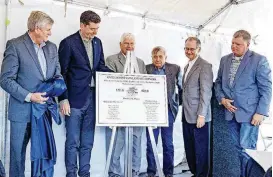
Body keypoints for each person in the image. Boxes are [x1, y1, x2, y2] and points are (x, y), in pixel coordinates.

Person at [0, 11, 61, 177]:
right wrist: (29, 96)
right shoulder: (15, 45)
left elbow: (58, 75)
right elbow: (5, 80)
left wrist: (56, 89)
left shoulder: (52, 48)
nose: (50, 32)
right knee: (17, 156)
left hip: (43, 113)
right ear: (37, 28)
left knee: (43, 157)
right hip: (21, 112)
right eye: (48, 29)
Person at [58, 10, 112, 177]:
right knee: (73, 142)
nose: (95, 32)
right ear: (82, 25)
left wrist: (118, 78)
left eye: (97, 29)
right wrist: (63, 98)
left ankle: (85, 173)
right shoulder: (68, 43)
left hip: (92, 99)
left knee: (88, 141)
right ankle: (71, 174)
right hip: (73, 100)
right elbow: (62, 73)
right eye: (92, 29)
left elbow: (100, 67)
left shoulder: (98, 43)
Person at [214, 30, 272, 177]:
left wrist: (260, 112)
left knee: (248, 150)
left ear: (248, 44)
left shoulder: (259, 60)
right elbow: (218, 83)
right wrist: (222, 99)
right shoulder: (225, 60)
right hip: (230, 113)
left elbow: (266, 88)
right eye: (232, 43)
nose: (234, 46)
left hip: (251, 114)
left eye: (238, 44)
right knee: (239, 149)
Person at [105, 33, 147, 177]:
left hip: (137, 112)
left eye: (132, 43)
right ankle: (115, 174)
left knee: (136, 146)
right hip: (119, 112)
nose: (129, 46)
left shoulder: (140, 63)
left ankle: (134, 173)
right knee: (116, 146)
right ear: (120, 44)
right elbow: (110, 84)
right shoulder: (111, 60)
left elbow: (144, 86)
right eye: (126, 43)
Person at [145, 46, 182, 177]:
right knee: (151, 143)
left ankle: (168, 173)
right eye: (155, 57)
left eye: (160, 56)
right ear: (152, 58)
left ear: (165, 57)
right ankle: (151, 172)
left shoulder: (175, 68)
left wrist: (177, 104)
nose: (158, 59)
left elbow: (181, 88)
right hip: (151, 111)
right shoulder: (147, 69)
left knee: (168, 143)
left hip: (168, 110)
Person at [182, 37, 213, 177]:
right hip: (187, 115)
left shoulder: (205, 65)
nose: (189, 51)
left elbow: (206, 92)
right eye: (186, 48)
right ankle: (195, 173)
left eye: (192, 49)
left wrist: (202, 115)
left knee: (201, 151)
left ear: (199, 49)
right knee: (190, 150)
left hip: (199, 117)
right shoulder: (187, 66)